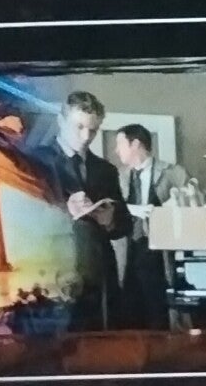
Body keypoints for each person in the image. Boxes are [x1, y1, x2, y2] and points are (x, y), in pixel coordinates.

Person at [23, 91, 128, 329]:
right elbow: (19, 215)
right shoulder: (35, 161)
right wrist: (63, 210)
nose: (85, 137)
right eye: (79, 127)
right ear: (61, 121)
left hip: (98, 272)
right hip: (51, 269)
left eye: (93, 130)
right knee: (54, 342)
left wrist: (110, 220)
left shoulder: (106, 170)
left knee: (98, 342)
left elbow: (125, 226)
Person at [111, 122, 190, 329]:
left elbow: (191, 210)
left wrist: (163, 211)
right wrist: (132, 209)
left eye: (120, 144)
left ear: (136, 144)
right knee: (130, 314)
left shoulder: (173, 173)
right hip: (127, 255)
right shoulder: (118, 177)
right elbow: (111, 208)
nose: (116, 150)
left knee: (159, 312)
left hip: (160, 256)